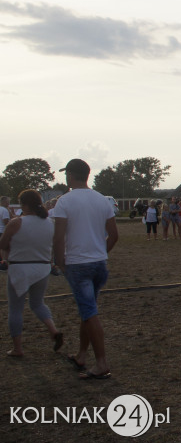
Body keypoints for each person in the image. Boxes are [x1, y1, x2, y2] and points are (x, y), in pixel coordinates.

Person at [51, 159, 119, 379]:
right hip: (99, 264)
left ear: (71, 175)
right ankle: (81, 355)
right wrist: (101, 252)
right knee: (87, 310)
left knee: (89, 313)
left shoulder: (64, 201)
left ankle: (101, 363)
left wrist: (60, 261)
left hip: (78, 264)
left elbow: (59, 237)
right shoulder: (102, 200)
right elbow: (114, 235)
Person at [1, 190, 62, 357]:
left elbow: (3, 243)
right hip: (42, 268)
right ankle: (53, 329)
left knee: (15, 308)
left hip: (20, 268)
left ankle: (18, 348)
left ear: (24, 205)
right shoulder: (50, 222)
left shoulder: (16, 223)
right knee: (38, 304)